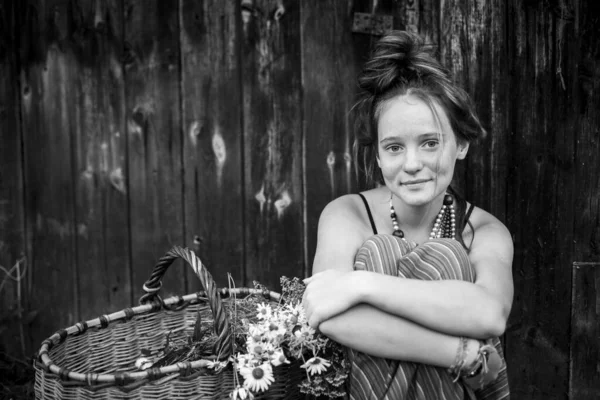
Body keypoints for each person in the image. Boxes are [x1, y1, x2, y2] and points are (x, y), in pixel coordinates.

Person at [302, 31, 513, 399]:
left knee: (449, 256)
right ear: (380, 157)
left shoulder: (484, 231)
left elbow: (490, 314)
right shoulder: (347, 214)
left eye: (430, 143)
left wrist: (361, 285)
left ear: (461, 144)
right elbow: (327, 312)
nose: (412, 164)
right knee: (379, 251)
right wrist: (458, 353)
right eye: (395, 148)